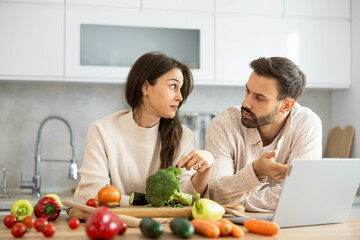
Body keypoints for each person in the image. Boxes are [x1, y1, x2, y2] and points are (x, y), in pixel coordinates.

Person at [74, 52, 214, 205]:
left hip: (163, 225)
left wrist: (205, 170)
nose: (180, 97)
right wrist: (148, 203)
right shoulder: (101, 131)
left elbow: (186, 199)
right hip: (112, 223)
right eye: (173, 86)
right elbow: (94, 193)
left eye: (181, 89)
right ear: (146, 87)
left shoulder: (183, 136)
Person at [205, 57, 322, 211]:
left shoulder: (307, 124)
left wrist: (239, 202)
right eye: (247, 91)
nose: (245, 103)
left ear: (286, 106)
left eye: (259, 98)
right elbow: (214, 196)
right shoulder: (223, 125)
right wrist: (255, 171)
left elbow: (300, 195)